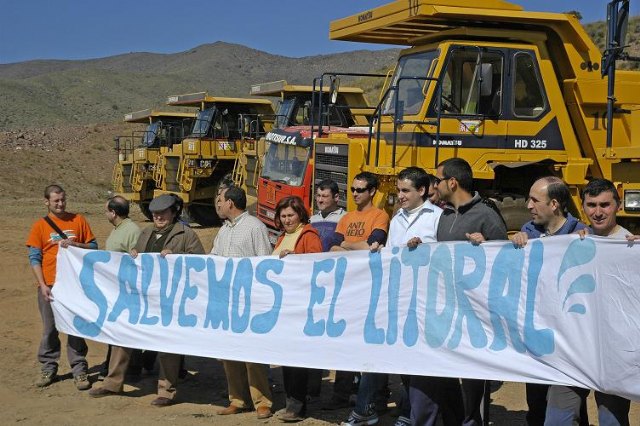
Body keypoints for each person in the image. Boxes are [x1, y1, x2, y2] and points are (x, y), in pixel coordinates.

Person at [410, 158, 507, 426]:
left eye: (437, 180)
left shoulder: (486, 215)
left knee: (473, 379)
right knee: (445, 370)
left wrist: (487, 245)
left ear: (452, 182)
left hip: (476, 316)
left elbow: (505, 263)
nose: (433, 185)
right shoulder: (444, 216)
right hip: (446, 311)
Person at [349, 167, 442, 426]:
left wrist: (424, 250)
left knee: (415, 362)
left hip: (423, 300)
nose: (399, 196)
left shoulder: (438, 217)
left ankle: (409, 413)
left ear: (421, 191)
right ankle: (374, 409)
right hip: (396, 297)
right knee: (389, 354)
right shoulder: (398, 216)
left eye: (405, 191)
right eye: (398, 190)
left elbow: (445, 256)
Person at [94, 194, 204, 405]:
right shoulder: (145, 233)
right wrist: (134, 254)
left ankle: (166, 391)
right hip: (143, 298)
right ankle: (112, 382)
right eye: (155, 213)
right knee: (122, 334)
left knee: (166, 343)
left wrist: (177, 258)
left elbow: (200, 265)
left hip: (171, 301)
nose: (158, 217)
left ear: (173, 213)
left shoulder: (186, 234)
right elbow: (137, 261)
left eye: (163, 213)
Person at [547, 178, 632, 426]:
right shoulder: (576, 241)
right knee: (557, 420)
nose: (597, 212)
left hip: (613, 354)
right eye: (591, 205)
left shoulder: (630, 246)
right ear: (582, 206)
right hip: (575, 351)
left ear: (617, 204)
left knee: (611, 421)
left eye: (604, 205)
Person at [511, 176, 589, 426]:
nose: (528, 205)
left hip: (570, 343)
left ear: (554, 204)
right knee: (536, 404)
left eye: (535, 200)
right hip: (537, 340)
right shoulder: (528, 231)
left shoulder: (582, 235)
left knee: (567, 406)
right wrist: (513, 246)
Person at [324, 172, 390, 413]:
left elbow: (373, 245)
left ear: (372, 191)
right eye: (352, 189)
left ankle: (378, 398)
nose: (354, 193)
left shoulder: (380, 215)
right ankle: (341, 394)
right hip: (346, 288)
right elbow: (330, 246)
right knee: (345, 343)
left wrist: (346, 246)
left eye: (360, 189)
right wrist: (353, 247)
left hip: (370, 287)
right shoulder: (346, 217)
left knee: (373, 344)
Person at [26, 184, 98, 390]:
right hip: (50, 286)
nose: (60, 204)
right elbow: (34, 258)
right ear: (46, 202)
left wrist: (76, 245)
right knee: (50, 329)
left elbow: (93, 247)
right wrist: (42, 285)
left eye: (63, 200)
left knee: (75, 328)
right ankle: (48, 367)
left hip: (75, 287)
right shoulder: (39, 226)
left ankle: (79, 370)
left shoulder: (78, 221)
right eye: (56, 200)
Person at [212, 186, 274, 420]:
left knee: (252, 354)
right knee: (229, 352)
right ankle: (237, 399)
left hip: (250, 302)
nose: (217, 204)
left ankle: (262, 402)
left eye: (220, 200)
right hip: (226, 302)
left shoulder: (255, 227)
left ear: (230, 203)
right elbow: (214, 261)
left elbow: (264, 263)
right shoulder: (223, 230)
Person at [272, 196, 323, 422]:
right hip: (284, 305)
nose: (287, 220)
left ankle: (297, 406)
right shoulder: (282, 237)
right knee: (285, 357)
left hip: (301, 306)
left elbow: (318, 262)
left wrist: (296, 258)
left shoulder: (309, 235)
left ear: (300, 214)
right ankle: (290, 402)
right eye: (283, 216)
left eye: (290, 215)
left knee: (297, 358)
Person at [89, 196, 145, 398]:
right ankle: (129, 368)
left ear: (113, 213)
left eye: (106, 211)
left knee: (122, 332)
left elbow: (137, 259)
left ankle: (125, 372)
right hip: (115, 289)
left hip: (126, 292)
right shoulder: (119, 229)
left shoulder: (131, 231)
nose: (106, 214)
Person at [309, 179, 346, 252]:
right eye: (318, 195)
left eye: (324, 196)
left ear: (336, 197)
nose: (320, 200)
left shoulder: (346, 218)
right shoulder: (311, 220)